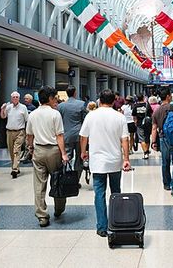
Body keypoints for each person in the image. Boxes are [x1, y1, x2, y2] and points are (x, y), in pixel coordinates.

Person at [79, 89, 131, 237]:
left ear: (99, 100)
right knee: (116, 192)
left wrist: (83, 152)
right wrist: (126, 159)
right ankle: (117, 222)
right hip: (115, 160)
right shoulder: (119, 117)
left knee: (99, 194)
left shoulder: (91, 115)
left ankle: (102, 227)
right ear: (114, 101)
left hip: (97, 161)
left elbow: (83, 136)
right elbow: (125, 139)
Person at [25, 86, 69, 227]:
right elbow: (59, 135)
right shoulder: (55, 114)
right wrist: (63, 153)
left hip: (38, 150)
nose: (56, 100)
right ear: (50, 98)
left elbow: (29, 135)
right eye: (55, 97)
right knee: (58, 181)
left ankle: (42, 215)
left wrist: (31, 148)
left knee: (39, 184)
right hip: (54, 151)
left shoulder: (33, 114)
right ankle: (59, 209)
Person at [151, 88, 173, 193]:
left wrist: (153, 142)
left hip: (163, 138)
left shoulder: (156, 111)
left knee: (165, 162)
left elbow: (154, 128)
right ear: (168, 96)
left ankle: (167, 184)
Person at [58, 85, 87, 178]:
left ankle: (67, 178)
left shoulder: (61, 106)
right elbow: (84, 120)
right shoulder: (81, 104)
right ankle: (76, 179)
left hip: (66, 135)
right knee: (80, 158)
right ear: (75, 93)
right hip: (79, 135)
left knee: (67, 157)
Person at [0, 91, 30, 178]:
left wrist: (27, 132)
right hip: (9, 131)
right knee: (11, 151)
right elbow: (3, 117)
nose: (15, 98)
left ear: (19, 98)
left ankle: (14, 169)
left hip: (20, 131)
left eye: (17, 97)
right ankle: (16, 166)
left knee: (16, 150)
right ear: (11, 98)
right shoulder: (8, 107)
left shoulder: (23, 107)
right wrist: (2, 109)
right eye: (14, 97)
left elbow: (27, 120)